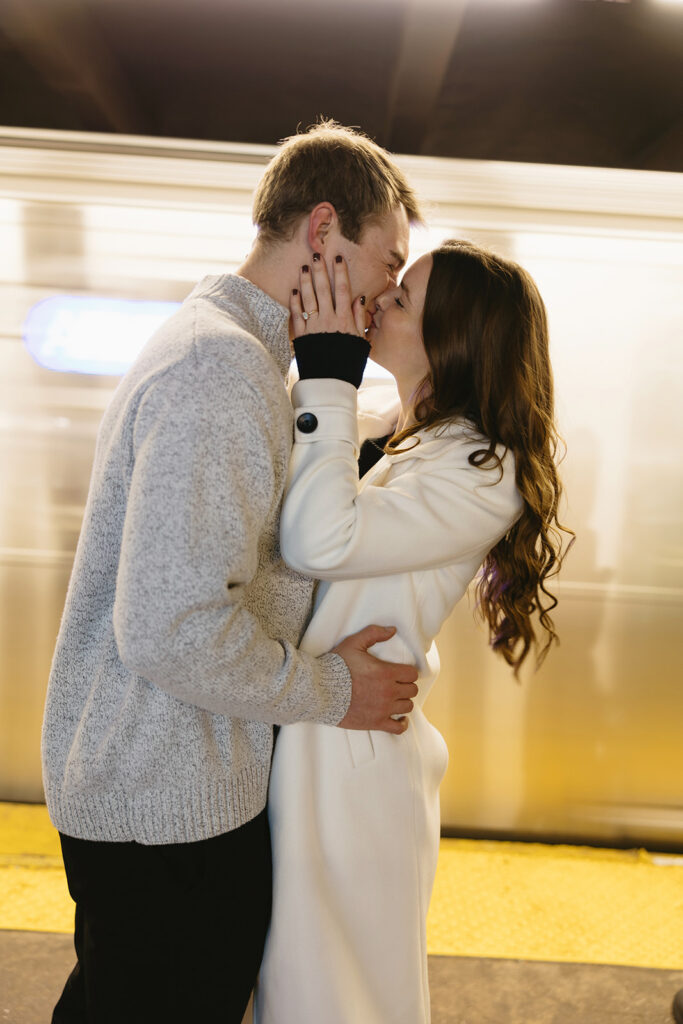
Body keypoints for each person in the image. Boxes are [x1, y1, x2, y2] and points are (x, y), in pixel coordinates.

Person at [41, 121, 424, 1024]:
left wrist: (391, 410)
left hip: (154, 788)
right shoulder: (221, 369)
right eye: (387, 262)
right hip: (168, 801)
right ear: (322, 230)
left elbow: (276, 492)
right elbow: (171, 627)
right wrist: (336, 691)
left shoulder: (229, 351)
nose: (385, 297)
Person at [254, 240, 574, 1024]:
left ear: (453, 339)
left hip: (352, 767)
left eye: (402, 299)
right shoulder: (399, 430)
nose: (379, 302)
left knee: (335, 996)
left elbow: (318, 540)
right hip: (328, 730)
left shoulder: (478, 469)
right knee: (305, 987)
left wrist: (329, 368)